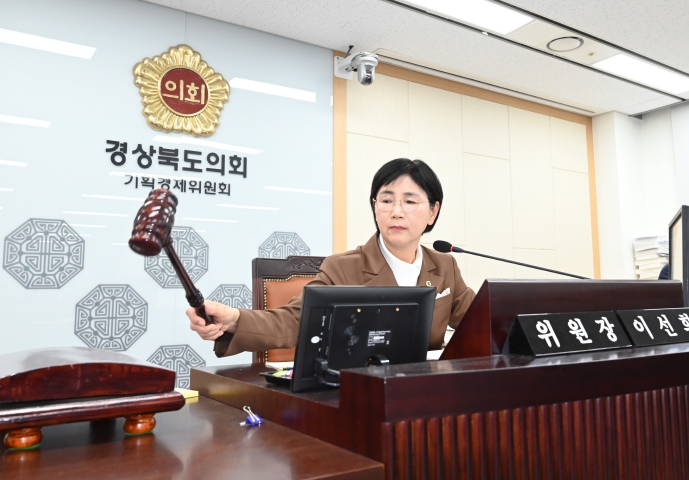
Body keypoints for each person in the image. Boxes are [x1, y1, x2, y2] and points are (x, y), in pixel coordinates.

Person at [187, 158, 476, 357]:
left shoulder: (445, 266)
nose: (397, 212)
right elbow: (295, 320)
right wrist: (234, 320)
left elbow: (480, 322)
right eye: (387, 200)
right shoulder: (344, 268)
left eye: (410, 201)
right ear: (375, 207)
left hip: (427, 395)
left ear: (433, 212)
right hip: (362, 395)